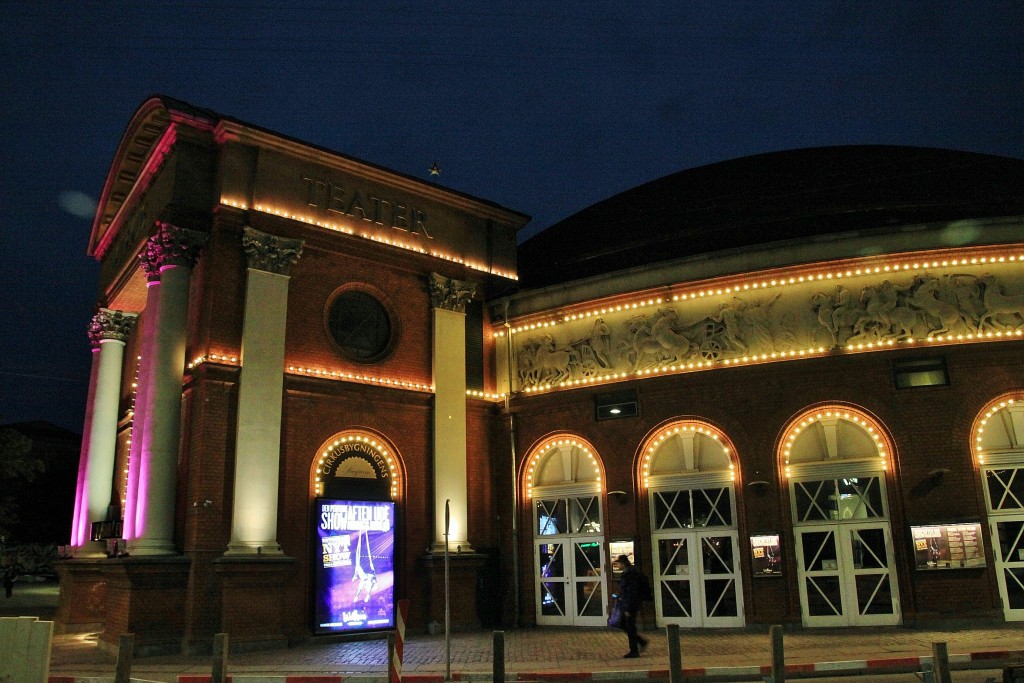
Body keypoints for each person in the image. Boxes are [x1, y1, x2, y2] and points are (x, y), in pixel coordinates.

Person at [614, 554, 648, 658]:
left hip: (630, 605)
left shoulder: (629, 574)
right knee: (625, 624)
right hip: (632, 603)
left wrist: (627, 608)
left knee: (629, 626)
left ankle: (634, 650)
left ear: (623, 563)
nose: (617, 565)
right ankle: (640, 642)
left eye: (618, 563)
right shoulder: (632, 572)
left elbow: (630, 592)